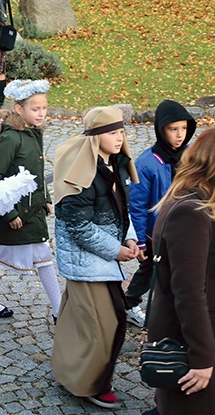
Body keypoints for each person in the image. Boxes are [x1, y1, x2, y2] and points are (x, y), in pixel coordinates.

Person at [51, 106, 139, 409]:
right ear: (95, 136)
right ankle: (87, 382)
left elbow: (122, 210)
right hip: (86, 262)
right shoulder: (81, 173)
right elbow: (78, 227)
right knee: (103, 324)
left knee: (88, 319)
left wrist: (130, 238)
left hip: (103, 258)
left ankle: (70, 370)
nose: (119, 138)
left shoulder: (116, 164)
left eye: (121, 131)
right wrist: (118, 251)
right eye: (112, 132)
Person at [147, 127, 215, 415]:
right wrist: (202, 358)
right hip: (191, 342)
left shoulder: (195, 199)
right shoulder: (192, 210)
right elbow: (188, 292)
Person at [0, 79, 61, 322]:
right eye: (35, 109)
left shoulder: (34, 133)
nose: (41, 113)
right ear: (19, 109)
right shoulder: (10, 138)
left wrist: (46, 198)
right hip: (14, 213)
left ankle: (59, 310)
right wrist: (10, 213)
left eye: (44, 108)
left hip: (32, 211)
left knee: (43, 256)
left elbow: (36, 171)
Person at [124, 99, 196, 328]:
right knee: (151, 270)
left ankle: (175, 308)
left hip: (184, 229)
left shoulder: (190, 157)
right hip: (156, 233)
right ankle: (129, 303)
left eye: (184, 128)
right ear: (160, 129)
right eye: (173, 129)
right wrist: (142, 242)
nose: (179, 135)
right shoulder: (146, 163)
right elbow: (137, 205)